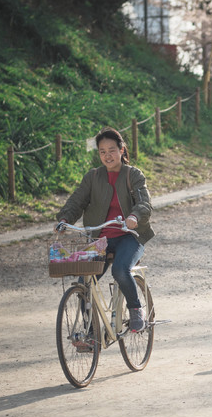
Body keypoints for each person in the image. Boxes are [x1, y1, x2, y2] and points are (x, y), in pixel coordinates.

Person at [56, 127, 155, 332]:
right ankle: (91, 333)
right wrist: (64, 219)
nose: (107, 155)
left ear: (121, 150)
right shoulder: (93, 177)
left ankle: (136, 309)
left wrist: (134, 217)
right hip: (101, 240)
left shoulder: (133, 174)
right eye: (102, 151)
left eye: (112, 150)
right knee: (84, 281)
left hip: (130, 237)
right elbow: (76, 201)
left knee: (120, 269)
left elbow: (144, 203)